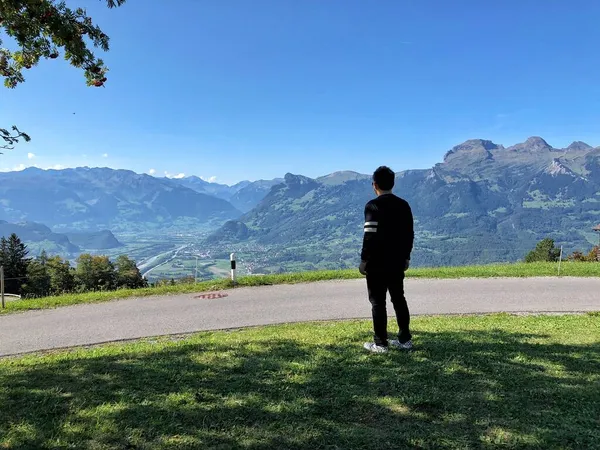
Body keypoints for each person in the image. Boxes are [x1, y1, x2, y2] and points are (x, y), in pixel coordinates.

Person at [359, 166, 414, 353]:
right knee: (399, 299)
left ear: (374, 184)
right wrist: (406, 257)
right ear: (393, 183)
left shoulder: (372, 206)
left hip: (376, 263)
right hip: (397, 261)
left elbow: (369, 236)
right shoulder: (404, 205)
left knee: (377, 302)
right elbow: (409, 235)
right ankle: (405, 339)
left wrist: (364, 260)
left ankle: (380, 343)